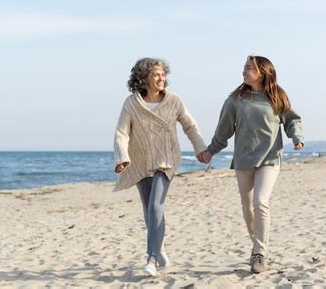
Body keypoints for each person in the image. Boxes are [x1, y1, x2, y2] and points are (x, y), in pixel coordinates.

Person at [199, 55, 304, 274]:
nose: (244, 72)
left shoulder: (277, 96)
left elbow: (292, 120)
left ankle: (260, 253)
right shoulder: (235, 99)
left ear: (262, 72)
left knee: (260, 201)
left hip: (270, 157)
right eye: (244, 68)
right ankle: (257, 245)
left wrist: (296, 137)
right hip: (244, 160)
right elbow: (224, 131)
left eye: (249, 68)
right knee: (248, 208)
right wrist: (211, 150)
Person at [113, 57, 207, 277]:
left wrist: (201, 149)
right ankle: (160, 246)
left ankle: (151, 259)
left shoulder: (174, 101)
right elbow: (121, 132)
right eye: (156, 74)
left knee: (156, 206)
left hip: (166, 159)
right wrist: (122, 157)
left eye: (163, 74)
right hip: (140, 160)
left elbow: (190, 125)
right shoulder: (131, 103)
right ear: (143, 78)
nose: (161, 78)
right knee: (149, 211)